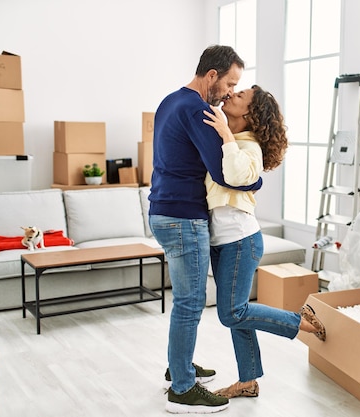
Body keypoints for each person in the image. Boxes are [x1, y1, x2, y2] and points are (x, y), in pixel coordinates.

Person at [148, 45, 262, 414]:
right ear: (211, 76)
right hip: (184, 217)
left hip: (163, 211)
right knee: (190, 302)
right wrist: (255, 183)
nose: (230, 92)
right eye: (229, 83)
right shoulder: (198, 110)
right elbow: (224, 173)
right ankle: (183, 389)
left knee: (186, 300)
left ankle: (179, 367)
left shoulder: (171, 100)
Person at [202, 85, 326, 399]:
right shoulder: (227, 139)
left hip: (240, 241)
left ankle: (298, 321)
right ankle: (248, 381)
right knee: (238, 313)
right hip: (223, 241)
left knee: (231, 313)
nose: (230, 95)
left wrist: (227, 136)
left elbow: (237, 175)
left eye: (239, 96)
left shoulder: (249, 144)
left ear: (250, 114)